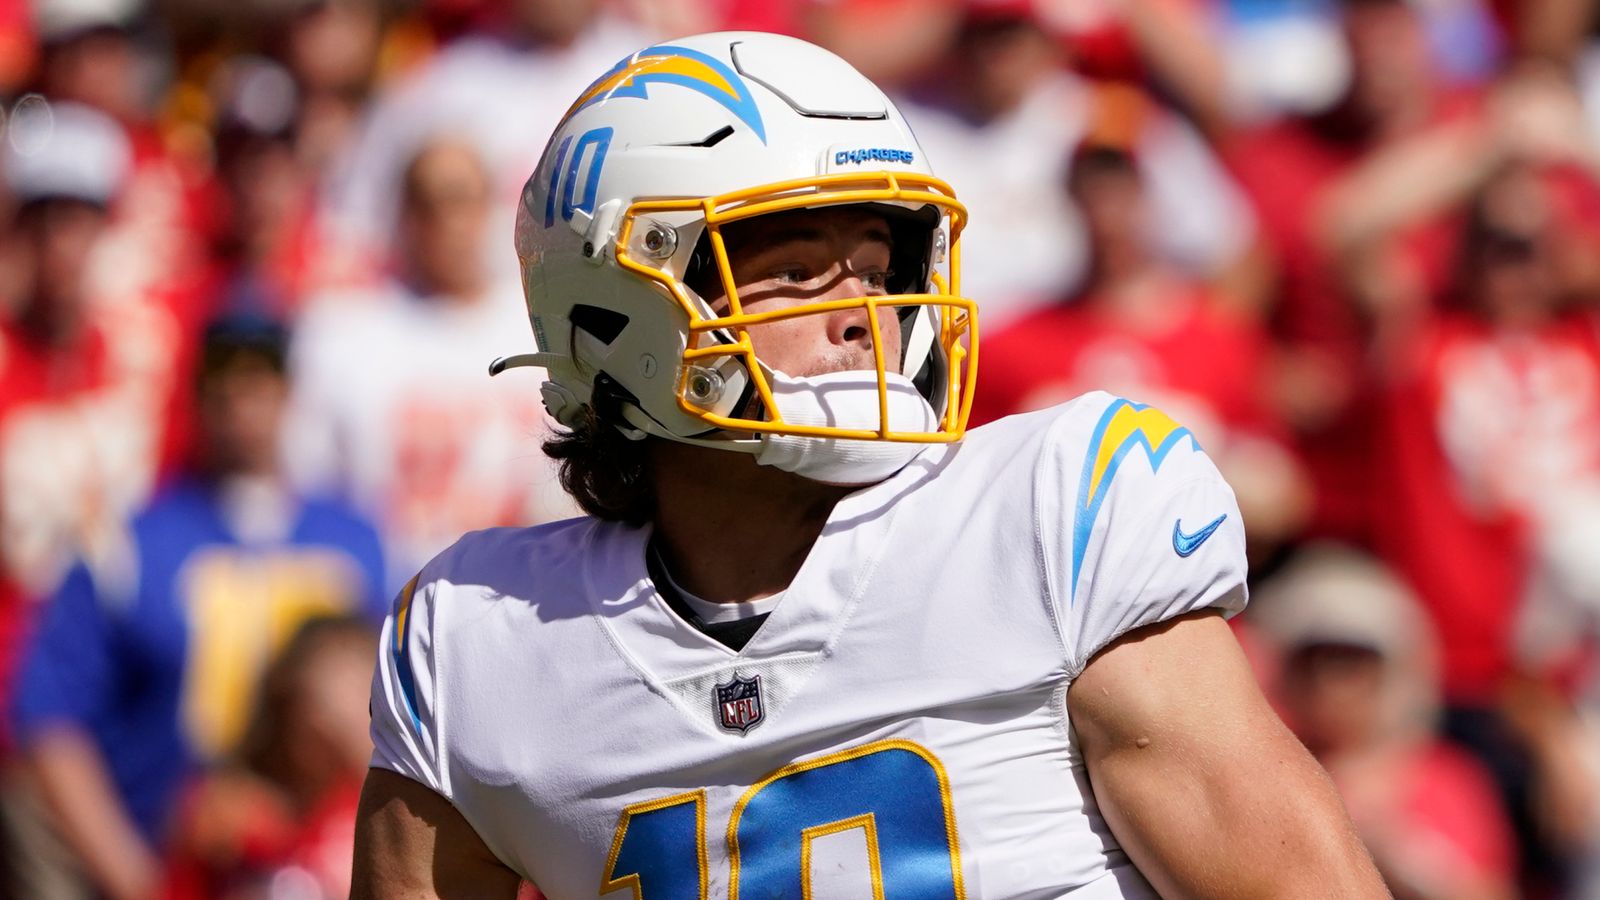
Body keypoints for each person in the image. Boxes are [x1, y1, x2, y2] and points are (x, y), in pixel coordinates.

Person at [352, 31, 1385, 898]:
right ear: (610, 312)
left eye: (879, 268)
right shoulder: (478, 643)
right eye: (794, 271)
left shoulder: (1049, 515)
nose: (864, 315)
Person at [10, 314, 387, 900]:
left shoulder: (358, 541)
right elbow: (50, 717)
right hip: (179, 852)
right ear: (195, 393)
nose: (241, 398)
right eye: (222, 378)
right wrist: (135, 880)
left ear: (289, 391)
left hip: (325, 858)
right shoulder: (126, 545)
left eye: (260, 376)